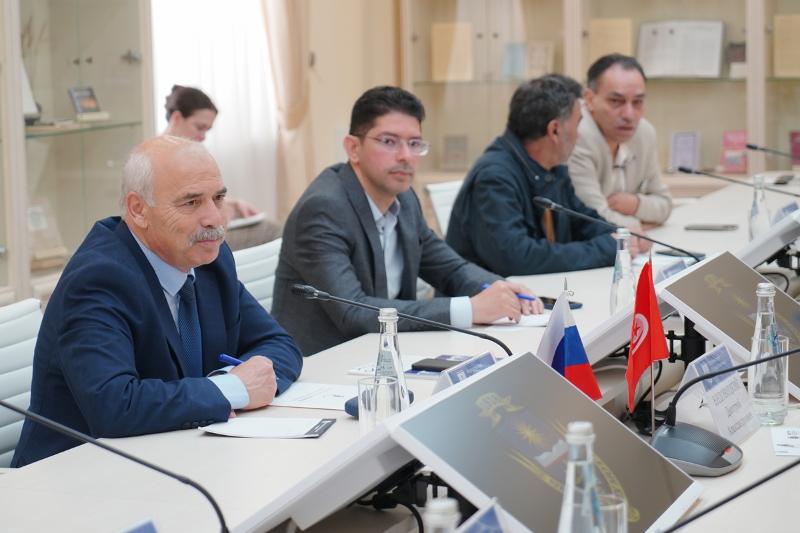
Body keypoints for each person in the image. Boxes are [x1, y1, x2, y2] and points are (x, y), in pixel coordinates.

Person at [12, 136, 302, 467]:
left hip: (183, 456)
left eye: (218, 198)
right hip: (75, 474)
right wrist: (230, 388)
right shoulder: (98, 279)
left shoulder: (210, 260)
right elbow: (114, 406)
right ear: (138, 209)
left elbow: (279, 344)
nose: (215, 218)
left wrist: (233, 384)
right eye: (191, 202)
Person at [271, 86, 543, 356]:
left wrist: (501, 289)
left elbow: (450, 269)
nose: (405, 156)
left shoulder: (404, 199)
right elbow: (353, 311)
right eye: (389, 142)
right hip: (324, 362)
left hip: (387, 353)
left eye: (414, 144)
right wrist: (469, 309)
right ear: (353, 148)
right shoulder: (324, 208)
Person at [446, 74, 629, 276]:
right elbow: (518, 258)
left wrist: (615, 237)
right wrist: (604, 250)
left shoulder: (552, 169)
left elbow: (584, 221)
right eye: (577, 125)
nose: (579, 135)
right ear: (554, 130)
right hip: (488, 293)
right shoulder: (494, 178)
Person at [164, 85, 281, 249]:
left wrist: (233, 204)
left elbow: (195, 197)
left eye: (207, 130)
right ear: (176, 118)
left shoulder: (184, 156)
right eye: (199, 127)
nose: (202, 137)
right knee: (275, 232)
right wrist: (222, 211)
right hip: (192, 235)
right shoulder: (163, 161)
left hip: (203, 227)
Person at [568, 54, 672, 229]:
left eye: (637, 102)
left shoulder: (644, 132)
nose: (629, 115)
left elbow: (665, 205)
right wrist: (639, 225)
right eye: (616, 101)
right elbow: (593, 218)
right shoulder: (576, 134)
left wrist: (635, 204)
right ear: (590, 99)